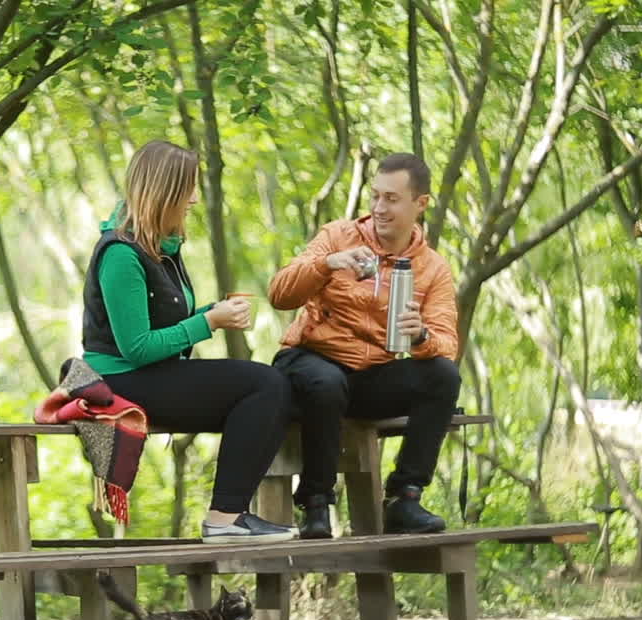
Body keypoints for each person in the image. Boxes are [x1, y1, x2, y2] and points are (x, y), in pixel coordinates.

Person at [82, 139, 296, 544]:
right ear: (163, 192)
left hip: (151, 374)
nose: (195, 199)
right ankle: (224, 519)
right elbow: (137, 347)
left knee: (271, 391)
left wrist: (211, 314)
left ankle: (234, 514)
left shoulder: (162, 250)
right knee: (263, 383)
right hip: (119, 379)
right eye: (188, 189)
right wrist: (208, 323)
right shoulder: (121, 254)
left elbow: (162, 327)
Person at [268, 152, 461, 538]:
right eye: (375, 196)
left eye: (391, 198)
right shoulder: (337, 236)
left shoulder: (433, 268)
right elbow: (279, 293)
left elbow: (447, 344)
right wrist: (327, 264)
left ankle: (405, 498)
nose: (378, 208)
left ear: (420, 204)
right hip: (308, 362)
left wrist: (421, 335)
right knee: (326, 382)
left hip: (368, 377)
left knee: (442, 375)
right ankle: (317, 504)